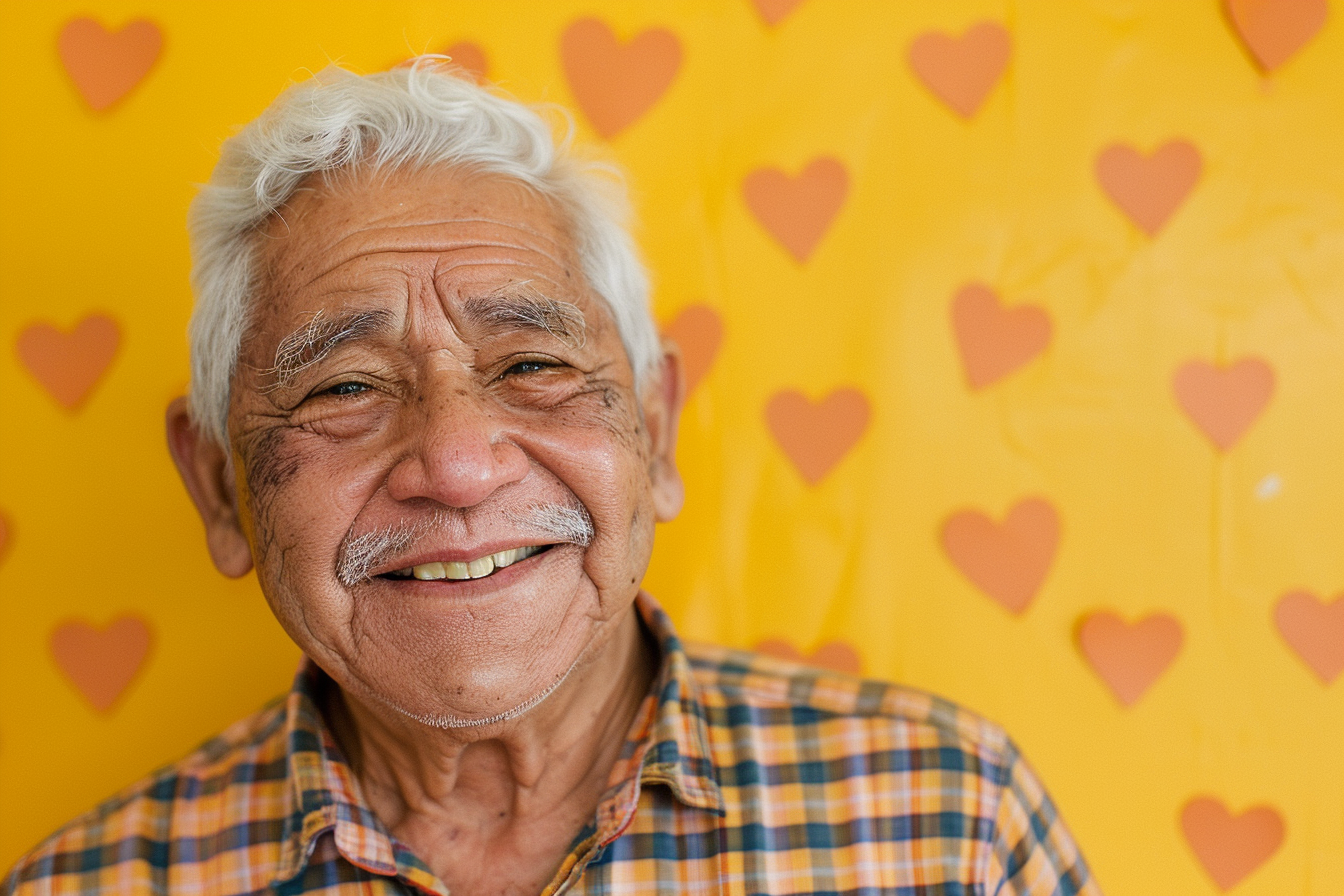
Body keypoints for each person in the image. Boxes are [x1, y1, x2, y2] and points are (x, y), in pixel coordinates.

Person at [3, 62, 1101, 896]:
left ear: (656, 432)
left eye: (532, 365)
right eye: (343, 387)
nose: (457, 462)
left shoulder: (947, 822)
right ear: (220, 487)